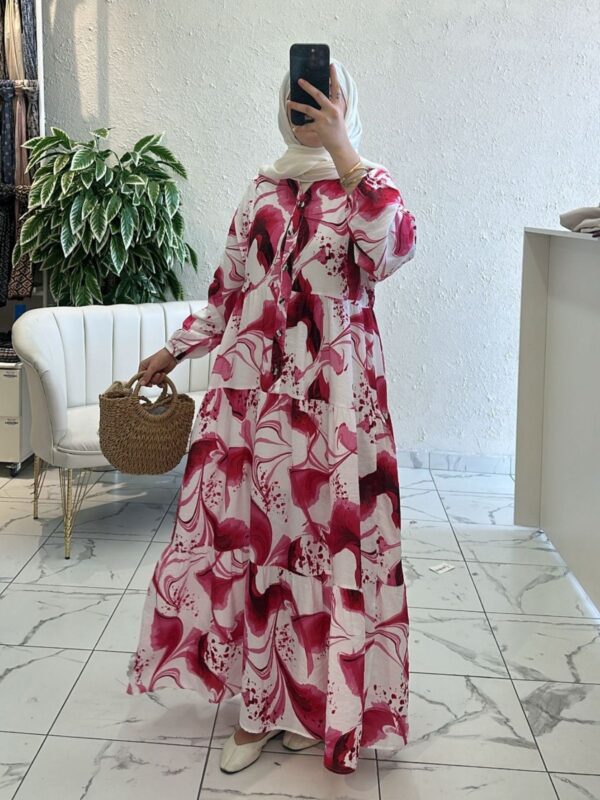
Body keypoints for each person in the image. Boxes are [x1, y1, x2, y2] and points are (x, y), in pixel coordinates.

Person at [126, 57, 416, 776]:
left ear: (346, 102)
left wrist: (343, 149)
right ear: (281, 106)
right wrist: (172, 351)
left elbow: (393, 250)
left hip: (336, 412)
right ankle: (258, 708)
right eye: (298, 95)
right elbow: (228, 293)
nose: (309, 104)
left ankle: (313, 706)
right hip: (254, 407)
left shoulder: (368, 187)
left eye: (327, 93)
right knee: (262, 550)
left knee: (327, 553)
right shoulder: (262, 189)